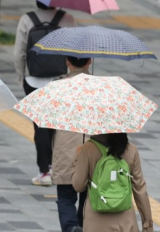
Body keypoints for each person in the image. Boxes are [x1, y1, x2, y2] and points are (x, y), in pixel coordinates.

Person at [13, 1, 76, 186]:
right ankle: (59, 167)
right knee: (57, 125)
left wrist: (21, 77)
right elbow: (75, 51)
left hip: (33, 80)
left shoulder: (27, 19)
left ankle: (44, 170)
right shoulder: (67, 19)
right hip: (60, 79)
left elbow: (19, 53)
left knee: (40, 126)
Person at [72, 133, 153, 232]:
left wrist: (77, 160)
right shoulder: (131, 150)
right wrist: (147, 224)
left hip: (96, 221)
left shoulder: (88, 149)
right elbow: (140, 190)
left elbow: (79, 186)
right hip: (126, 221)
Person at [51, 57, 91, 232]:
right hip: (92, 150)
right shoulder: (99, 89)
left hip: (65, 148)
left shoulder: (58, 87)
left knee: (65, 198)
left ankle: (71, 228)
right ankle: (82, 226)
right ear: (90, 61)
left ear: (67, 61)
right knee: (87, 199)